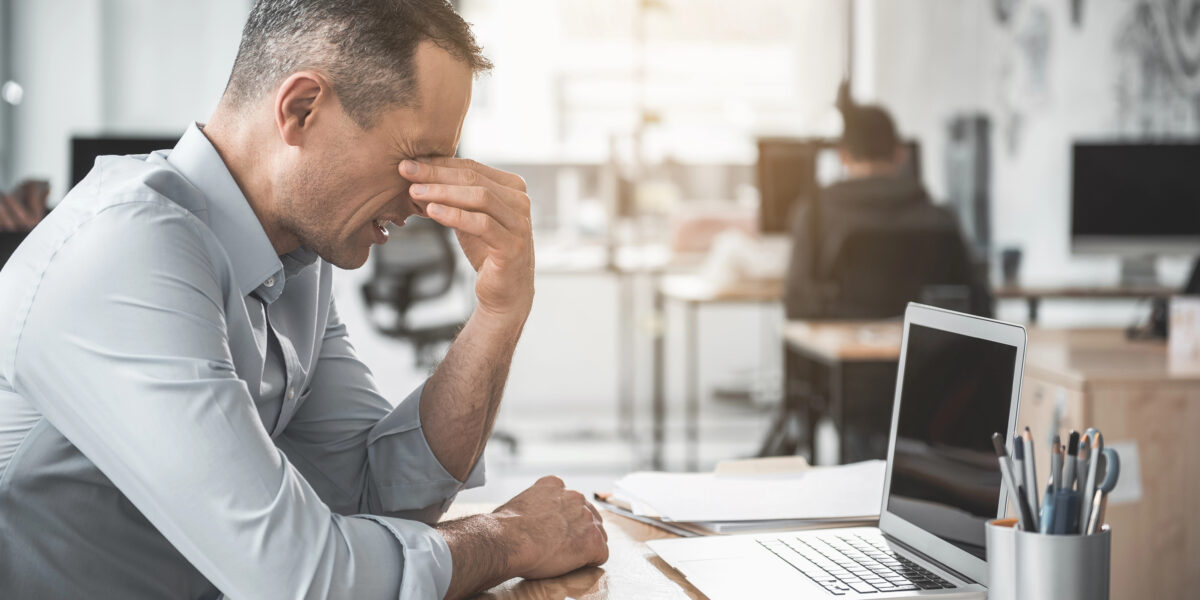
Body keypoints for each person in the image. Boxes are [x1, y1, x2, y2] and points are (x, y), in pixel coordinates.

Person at [0, 1, 607, 599]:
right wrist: (507, 539)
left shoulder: (293, 260)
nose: (424, 201)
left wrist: (499, 312)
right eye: (419, 158)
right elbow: (302, 579)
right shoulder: (126, 252)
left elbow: (379, 497)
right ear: (302, 108)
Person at [783, 102, 984, 318]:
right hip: (924, 349)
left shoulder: (814, 217)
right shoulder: (942, 219)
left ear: (843, 155)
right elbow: (978, 304)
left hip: (841, 349)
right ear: (900, 154)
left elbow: (796, 305)